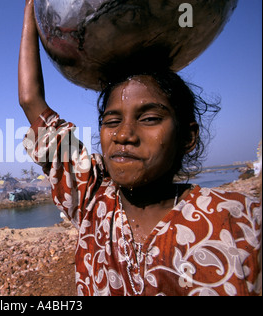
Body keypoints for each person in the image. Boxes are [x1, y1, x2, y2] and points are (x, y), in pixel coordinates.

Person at [19, 0, 261, 296]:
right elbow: (31, 100)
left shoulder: (240, 221)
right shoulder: (92, 201)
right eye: (111, 121)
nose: (124, 135)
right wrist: (32, 9)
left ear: (188, 136)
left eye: (149, 119)